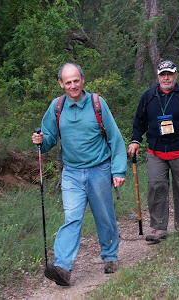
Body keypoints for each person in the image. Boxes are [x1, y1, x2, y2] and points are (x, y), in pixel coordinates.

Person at [31, 63, 127, 286]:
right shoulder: (57, 107)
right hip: (71, 172)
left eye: (76, 80)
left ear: (83, 79)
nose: (73, 85)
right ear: (61, 84)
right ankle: (63, 267)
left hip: (99, 169)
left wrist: (119, 170)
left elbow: (115, 138)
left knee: (104, 215)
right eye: (68, 82)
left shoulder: (97, 103)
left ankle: (110, 256)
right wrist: (40, 141)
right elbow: (48, 140)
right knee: (72, 217)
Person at [128, 60, 179, 243]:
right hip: (156, 150)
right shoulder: (148, 96)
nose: (166, 78)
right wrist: (136, 140)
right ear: (158, 76)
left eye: (169, 74)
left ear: (175, 75)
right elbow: (139, 121)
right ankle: (159, 227)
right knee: (156, 187)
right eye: (162, 74)